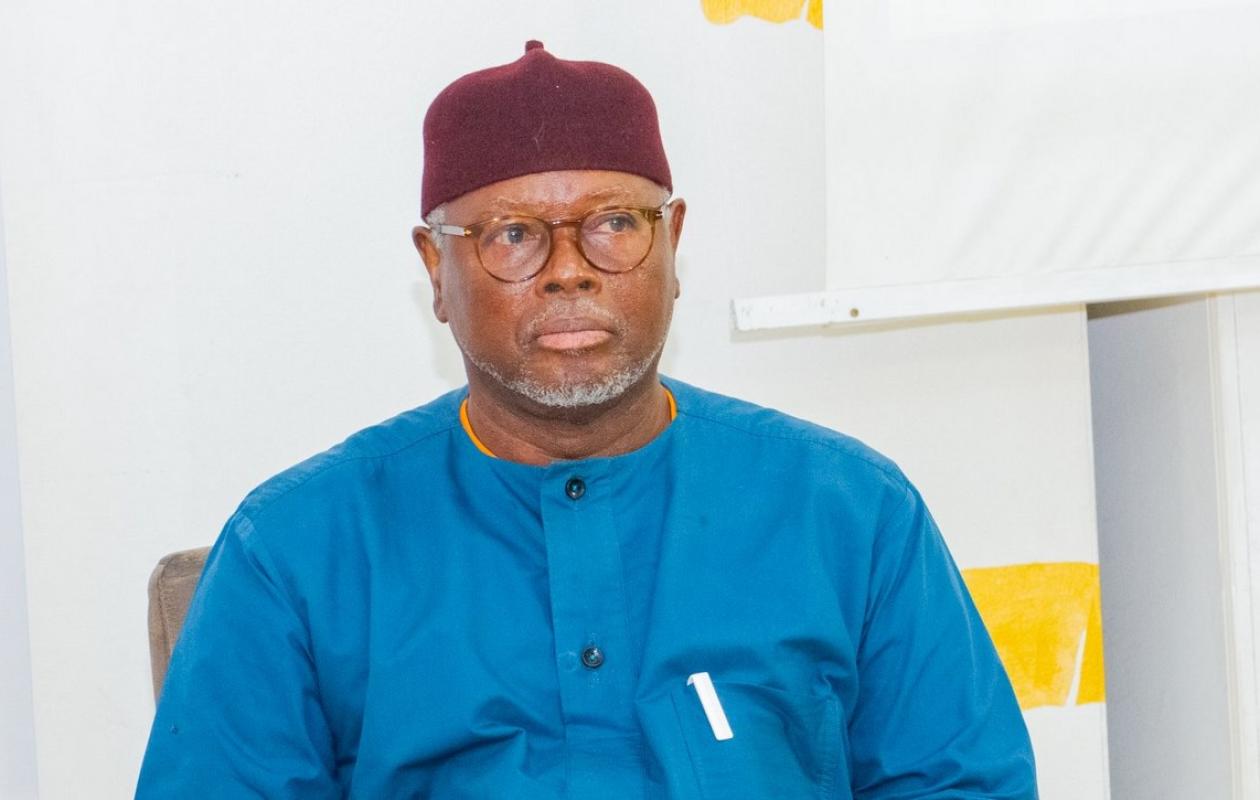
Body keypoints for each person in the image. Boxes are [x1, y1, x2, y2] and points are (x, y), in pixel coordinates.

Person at [136, 41, 1036, 799]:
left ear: (673, 244)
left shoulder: (848, 512)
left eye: (614, 224)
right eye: (513, 235)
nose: (569, 269)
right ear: (436, 271)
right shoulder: (297, 549)